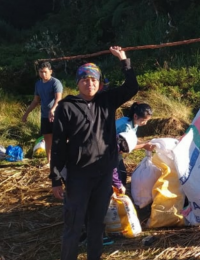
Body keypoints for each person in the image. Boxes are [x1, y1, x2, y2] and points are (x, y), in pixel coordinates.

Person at [49, 46, 138, 260]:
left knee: (97, 224)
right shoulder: (67, 107)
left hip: (103, 173)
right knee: (74, 223)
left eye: (94, 80)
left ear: (99, 83)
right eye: (85, 80)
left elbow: (132, 86)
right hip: (78, 175)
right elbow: (59, 143)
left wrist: (123, 59)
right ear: (78, 83)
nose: (90, 83)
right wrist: (55, 179)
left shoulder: (106, 101)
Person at [22, 62, 63, 165]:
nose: (43, 74)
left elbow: (58, 99)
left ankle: (61, 160)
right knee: (47, 138)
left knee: (58, 138)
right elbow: (36, 100)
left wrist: (53, 109)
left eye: (45, 72)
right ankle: (49, 161)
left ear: (50, 72)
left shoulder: (55, 83)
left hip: (56, 115)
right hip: (44, 115)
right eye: (41, 72)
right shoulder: (38, 84)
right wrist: (26, 113)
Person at [114, 102, 154, 188]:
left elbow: (132, 139)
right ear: (135, 116)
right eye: (144, 120)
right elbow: (127, 146)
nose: (145, 123)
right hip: (109, 149)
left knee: (122, 173)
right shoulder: (125, 125)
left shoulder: (134, 123)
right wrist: (143, 146)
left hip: (117, 148)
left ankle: (120, 192)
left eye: (147, 121)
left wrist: (145, 142)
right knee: (117, 174)